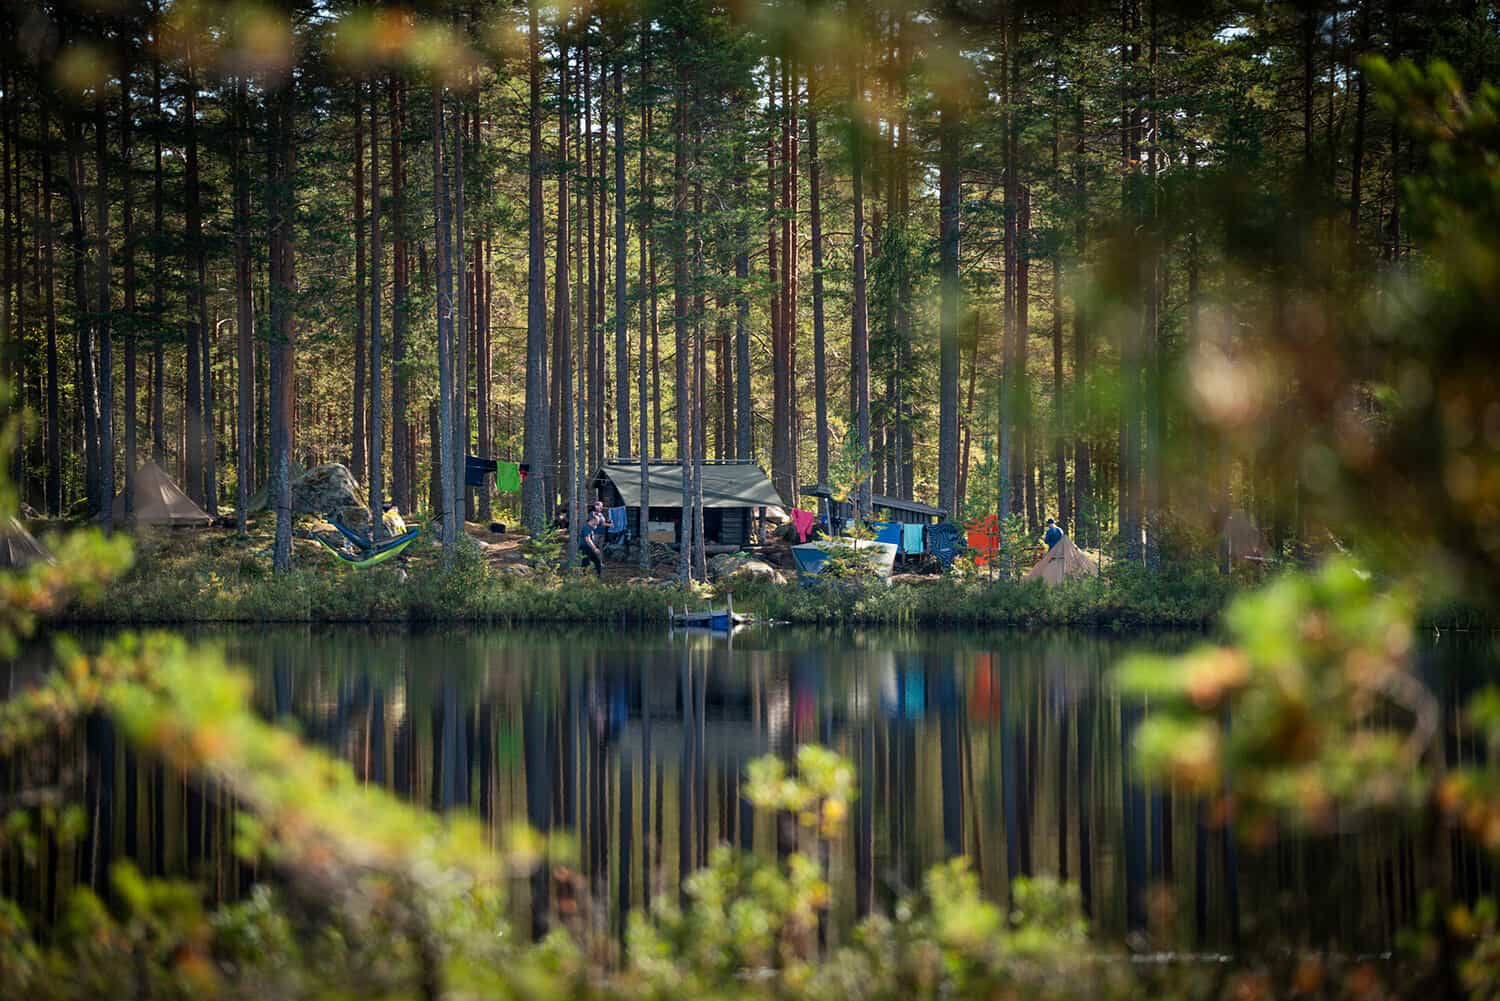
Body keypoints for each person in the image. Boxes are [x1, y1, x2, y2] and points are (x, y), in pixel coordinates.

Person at [579, 500, 606, 577]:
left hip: (589, 548)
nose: (596, 525)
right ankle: (584, 576)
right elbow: (587, 539)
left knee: (596, 561)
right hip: (585, 547)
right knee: (586, 562)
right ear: (593, 520)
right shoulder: (587, 527)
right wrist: (595, 548)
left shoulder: (591, 528)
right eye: (596, 523)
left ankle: (598, 576)